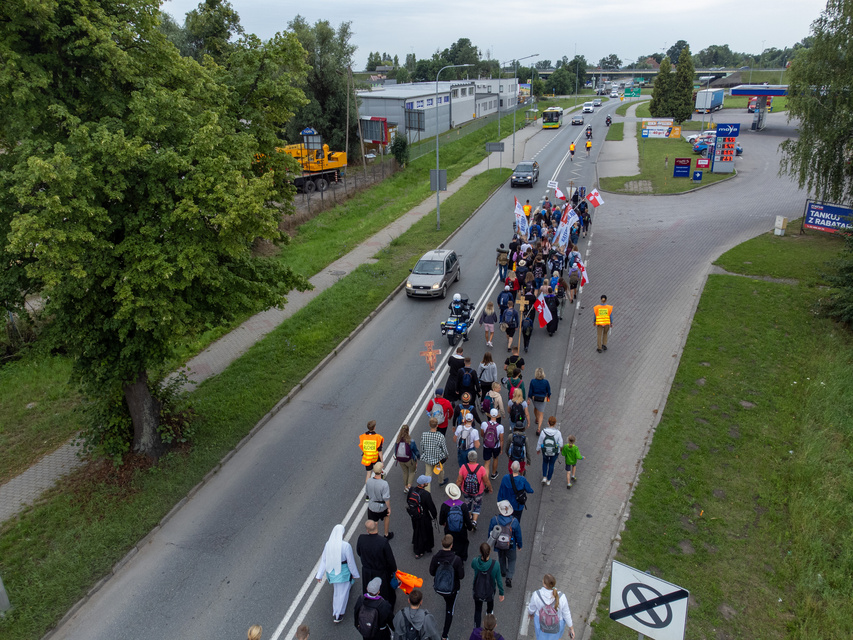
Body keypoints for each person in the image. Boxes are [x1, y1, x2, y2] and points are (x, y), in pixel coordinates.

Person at [316, 524, 361, 623]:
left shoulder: (328, 544)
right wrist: (354, 573)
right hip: (343, 573)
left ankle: (335, 611)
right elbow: (350, 562)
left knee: (337, 592)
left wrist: (319, 575)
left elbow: (324, 560)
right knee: (343, 594)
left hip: (332, 573)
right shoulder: (346, 546)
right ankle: (339, 614)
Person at [429, 535, 465, 640]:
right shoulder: (456, 559)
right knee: (450, 609)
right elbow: (461, 576)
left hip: (439, 587)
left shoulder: (436, 557)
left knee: (446, 600)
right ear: (452, 545)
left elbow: (432, 572)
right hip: (452, 589)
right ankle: (444, 635)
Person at [357, 520, 398, 608]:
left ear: (367, 530)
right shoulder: (383, 542)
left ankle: (369, 604)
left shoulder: (361, 538)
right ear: (376, 526)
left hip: (367, 571)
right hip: (381, 571)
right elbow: (390, 558)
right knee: (384, 591)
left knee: (368, 588)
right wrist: (394, 569)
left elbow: (358, 552)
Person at [527, 574, 575, 640]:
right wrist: (571, 628)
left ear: (544, 584)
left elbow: (532, 608)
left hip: (541, 622)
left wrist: (530, 614)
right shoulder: (562, 597)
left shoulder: (536, 595)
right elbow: (566, 613)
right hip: (557, 623)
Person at [487, 501, 523, 588]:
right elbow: (518, 535)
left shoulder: (494, 519)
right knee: (512, 560)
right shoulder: (514, 521)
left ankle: (503, 572)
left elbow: (490, 533)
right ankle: (509, 577)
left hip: (498, 543)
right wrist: (519, 545)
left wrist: (490, 544)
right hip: (510, 544)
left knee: (501, 557)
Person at [456, 450, 492, 530]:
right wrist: (490, 488)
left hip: (466, 491)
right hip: (478, 492)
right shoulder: (481, 468)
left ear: (468, 458)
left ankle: (469, 517)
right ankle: (474, 521)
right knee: (477, 505)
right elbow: (486, 480)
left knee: (467, 504)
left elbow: (459, 480)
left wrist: (455, 488)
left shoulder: (463, 467)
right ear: (476, 458)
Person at [470, 544, 505, 629]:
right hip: (490, 590)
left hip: (478, 589)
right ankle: (489, 614)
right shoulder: (495, 564)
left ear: (480, 552)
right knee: (490, 604)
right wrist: (501, 593)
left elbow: (472, 566)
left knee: (477, 610)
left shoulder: (475, 561)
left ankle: (477, 629)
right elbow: (499, 580)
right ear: (490, 552)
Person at [440, 483, 474, 561]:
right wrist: (470, 527)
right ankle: (462, 558)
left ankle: (451, 557)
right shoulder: (463, 506)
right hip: (461, 530)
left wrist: (444, 523)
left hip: (449, 530)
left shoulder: (444, 505)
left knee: (452, 544)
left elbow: (441, 520)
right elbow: (467, 519)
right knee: (462, 543)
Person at [407, 475, 438, 558]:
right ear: (423, 484)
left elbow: (408, 501)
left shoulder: (412, 490)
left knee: (416, 530)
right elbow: (431, 507)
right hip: (423, 516)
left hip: (414, 515)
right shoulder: (426, 494)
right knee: (425, 532)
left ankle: (417, 546)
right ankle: (422, 549)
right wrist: (434, 516)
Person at [366, 462, 394, 540]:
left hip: (372, 506)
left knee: (374, 522)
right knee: (387, 517)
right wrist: (389, 508)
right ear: (382, 471)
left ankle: (375, 536)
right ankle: (386, 534)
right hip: (382, 507)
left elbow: (367, 493)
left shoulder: (369, 481)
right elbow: (386, 498)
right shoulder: (384, 484)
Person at [422, 417, 450, 491]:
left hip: (428, 458)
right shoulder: (440, 436)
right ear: (437, 425)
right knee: (441, 471)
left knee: (427, 475)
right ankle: (441, 481)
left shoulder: (424, 435)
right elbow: (444, 448)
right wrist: (447, 455)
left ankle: (427, 493)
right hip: (438, 459)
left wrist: (424, 454)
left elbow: (422, 447)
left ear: (429, 425)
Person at [536, 417, 563, 486]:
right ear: (555, 424)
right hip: (554, 452)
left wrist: (538, 449)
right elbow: (561, 443)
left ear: (548, 423)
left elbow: (540, 441)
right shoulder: (558, 433)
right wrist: (559, 449)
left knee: (545, 462)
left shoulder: (543, 432)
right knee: (551, 464)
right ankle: (549, 479)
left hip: (545, 451)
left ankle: (544, 477)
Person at [395, 425, 421, 493]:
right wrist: (418, 457)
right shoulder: (411, 441)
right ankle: (409, 487)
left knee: (405, 472)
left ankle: (405, 487)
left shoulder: (398, 440)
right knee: (412, 472)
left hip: (401, 460)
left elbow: (395, 451)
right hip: (410, 460)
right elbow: (416, 451)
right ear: (408, 431)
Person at [480, 408, 504, 480]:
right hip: (496, 446)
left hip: (486, 445)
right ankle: (493, 474)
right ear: (497, 416)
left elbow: (482, 434)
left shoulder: (484, 424)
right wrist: (501, 449)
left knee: (487, 463)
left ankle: (486, 479)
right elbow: (501, 439)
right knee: (495, 458)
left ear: (490, 415)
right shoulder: (500, 427)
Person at [527, 368, 552, 434]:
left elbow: (530, 391)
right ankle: (538, 428)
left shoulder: (533, 381)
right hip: (542, 399)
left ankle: (537, 418)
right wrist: (549, 396)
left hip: (534, 399)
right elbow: (548, 391)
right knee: (541, 413)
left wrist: (528, 398)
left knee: (536, 408)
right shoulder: (546, 382)